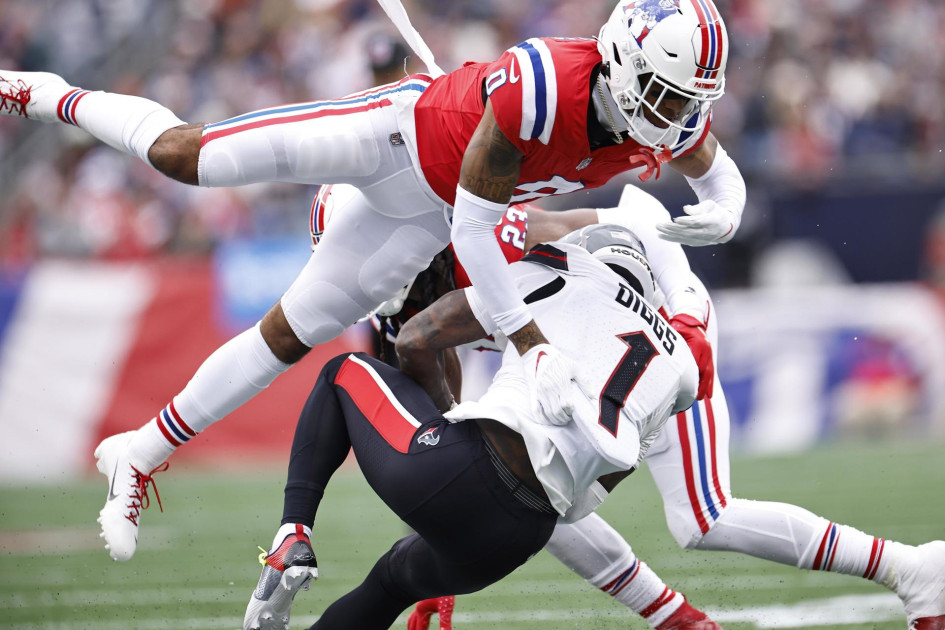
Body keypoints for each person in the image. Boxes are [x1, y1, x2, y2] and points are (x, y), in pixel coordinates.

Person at [0, 0, 744, 562]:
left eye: (686, 100)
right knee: (187, 157)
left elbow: (719, 174)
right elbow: (477, 234)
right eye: (667, 94)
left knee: (290, 335)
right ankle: (41, 92)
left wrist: (723, 208)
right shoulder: (544, 86)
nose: (676, 116)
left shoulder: (669, 116)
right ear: (620, 59)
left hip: (427, 215)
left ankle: (139, 451)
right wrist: (533, 344)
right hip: (391, 138)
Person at [356, 183, 943, 630]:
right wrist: (439, 547)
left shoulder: (504, 237)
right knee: (527, 481)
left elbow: (642, 213)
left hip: (659, 334)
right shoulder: (412, 318)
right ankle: (677, 619)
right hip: (589, 362)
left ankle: (910, 568)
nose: (400, 308)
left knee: (704, 515)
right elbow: (456, 448)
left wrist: (685, 306)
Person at [243, 222, 700, 630]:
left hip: (463, 468)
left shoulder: (563, 270)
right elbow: (597, 488)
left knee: (341, 371)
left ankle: (293, 535)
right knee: (390, 582)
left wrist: (441, 427)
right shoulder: (679, 367)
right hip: (521, 536)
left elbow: (415, 339)